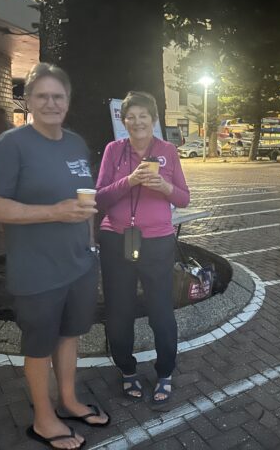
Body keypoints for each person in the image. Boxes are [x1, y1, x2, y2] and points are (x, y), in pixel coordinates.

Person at [0, 63, 109, 450]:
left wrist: (91, 245)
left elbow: (84, 202)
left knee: (69, 337)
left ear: (68, 100)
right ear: (29, 101)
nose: (51, 103)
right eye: (42, 96)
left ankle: (67, 401)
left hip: (79, 264)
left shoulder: (76, 143)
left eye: (58, 96)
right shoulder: (12, 145)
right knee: (38, 346)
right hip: (36, 271)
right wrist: (53, 212)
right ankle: (43, 419)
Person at [95, 91, 190, 404]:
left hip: (157, 241)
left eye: (143, 116)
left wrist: (165, 186)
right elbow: (100, 198)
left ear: (153, 119)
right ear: (123, 121)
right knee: (119, 311)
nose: (137, 122)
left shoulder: (168, 151)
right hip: (116, 238)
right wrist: (130, 180)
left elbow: (184, 198)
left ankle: (165, 372)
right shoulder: (114, 150)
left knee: (161, 312)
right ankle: (127, 369)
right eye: (131, 117)